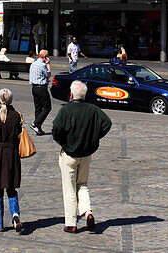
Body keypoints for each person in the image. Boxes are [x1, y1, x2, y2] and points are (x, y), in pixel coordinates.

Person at [52, 80, 112, 234]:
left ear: (71, 94)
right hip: (86, 154)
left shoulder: (66, 110)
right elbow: (107, 123)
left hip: (69, 154)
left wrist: (62, 141)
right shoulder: (93, 109)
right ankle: (87, 212)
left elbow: (56, 130)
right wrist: (94, 137)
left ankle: (71, 223)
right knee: (83, 185)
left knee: (70, 189)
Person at [0, 88, 23, 232]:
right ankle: (15, 213)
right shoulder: (16, 116)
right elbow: (19, 133)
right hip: (12, 153)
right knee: (11, 187)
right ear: (11, 101)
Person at [29, 49, 52, 135]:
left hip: (34, 87)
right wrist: (48, 64)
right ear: (44, 57)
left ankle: (38, 128)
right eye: (47, 56)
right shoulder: (42, 65)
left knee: (38, 108)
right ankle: (35, 124)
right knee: (47, 107)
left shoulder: (33, 64)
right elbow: (48, 75)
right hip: (42, 88)